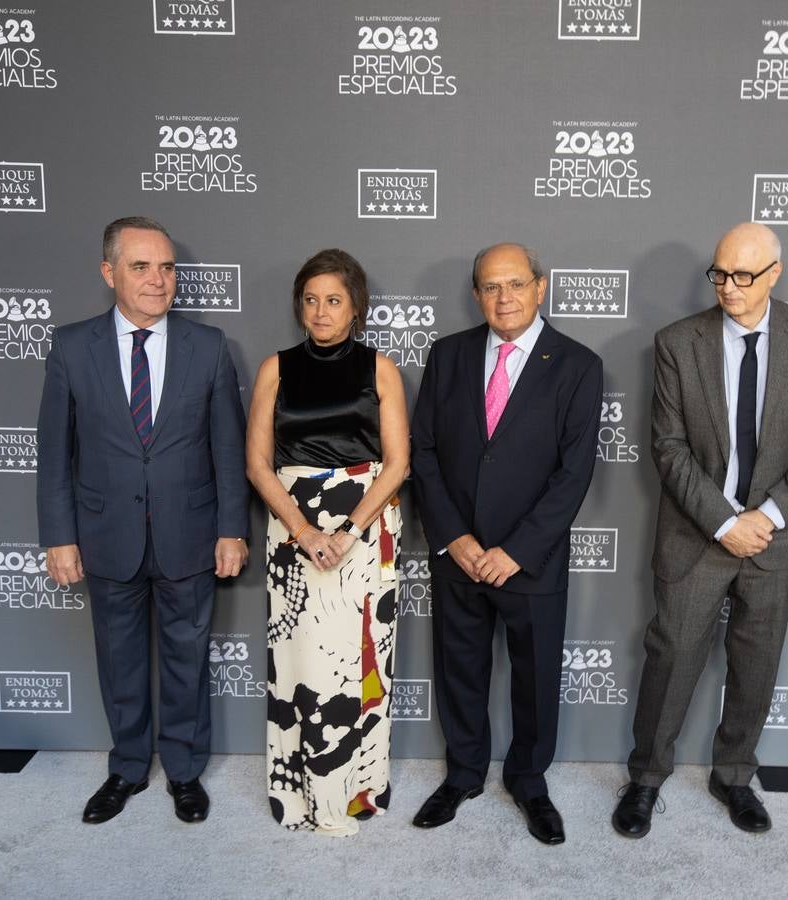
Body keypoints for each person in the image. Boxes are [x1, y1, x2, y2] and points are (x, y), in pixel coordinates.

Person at [612, 222, 788, 838]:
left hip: (776, 538)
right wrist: (722, 522)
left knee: (757, 662)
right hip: (695, 535)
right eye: (719, 274)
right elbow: (668, 447)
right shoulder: (676, 343)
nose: (728, 287)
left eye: (743, 276)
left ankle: (734, 775)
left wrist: (762, 520)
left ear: (774, 274)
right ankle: (646, 780)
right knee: (672, 656)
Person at [37, 216, 250, 824]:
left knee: (187, 658)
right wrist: (59, 537)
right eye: (140, 266)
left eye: (166, 267)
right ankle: (128, 767)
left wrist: (232, 529)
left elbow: (227, 450)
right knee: (120, 659)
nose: (158, 280)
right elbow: (54, 452)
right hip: (106, 536)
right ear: (109, 273)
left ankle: (184, 772)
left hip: (190, 533)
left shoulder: (207, 346)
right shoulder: (72, 346)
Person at [410, 242, 603, 844]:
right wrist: (454, 537)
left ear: (540, 286)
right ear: (476, 295)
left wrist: (516, 550)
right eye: (491, 287)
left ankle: (528, 781)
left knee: (536, 678)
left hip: (530, 559)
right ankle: (464, 774)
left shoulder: (577, 364)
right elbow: (425, 453)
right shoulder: (447, 356)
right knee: (460, 670)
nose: (505, 298)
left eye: (516, 284)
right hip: (460, 554)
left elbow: (574, 473)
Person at [246, 248, 409, 837]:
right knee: (300, 662)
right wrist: (304, 530)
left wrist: (347, 531)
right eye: (311, 300)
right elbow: (259, 464)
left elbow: (397, 465)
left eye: (333, 300)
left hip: (364, 531)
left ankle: (356, 789)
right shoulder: (276, 368)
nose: (320, 311)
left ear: (356, 307)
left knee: (360, 658)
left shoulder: (380, 369)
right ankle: (299, 793)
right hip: (292, 530)